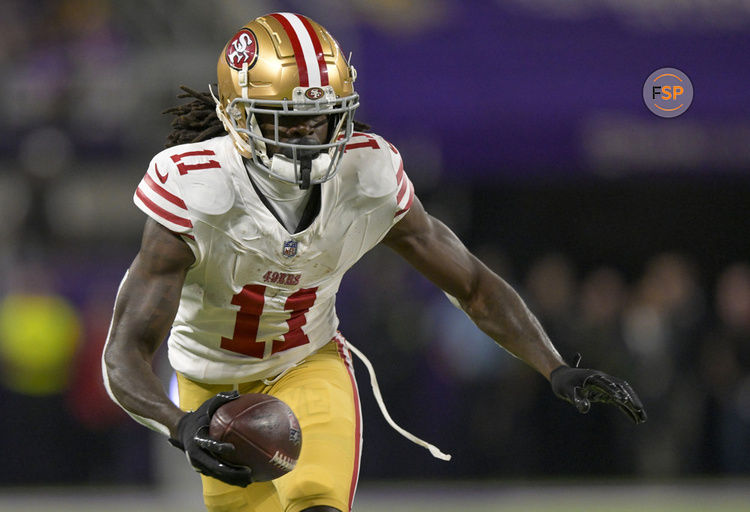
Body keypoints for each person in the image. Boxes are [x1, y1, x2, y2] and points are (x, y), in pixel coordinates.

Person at [102, 12, 646, 512]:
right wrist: (181, 423)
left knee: (317, 501)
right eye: (284, 122)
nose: (305, 139)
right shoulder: (196, 188)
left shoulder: (368, 174)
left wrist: (555, 365)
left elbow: (473, 286)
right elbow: (124, 353)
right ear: (235, 117)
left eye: (317, 120)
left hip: (306, 363)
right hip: (208, 385)